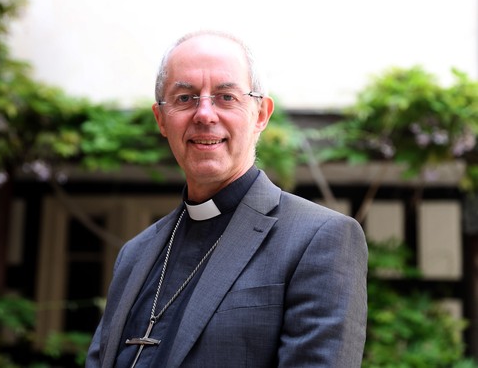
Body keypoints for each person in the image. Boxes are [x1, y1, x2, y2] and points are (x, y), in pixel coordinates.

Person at [86, 30, 368, 368]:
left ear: (261, 114)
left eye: (226, 97)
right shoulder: (134, 254)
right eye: (185, 98)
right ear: (161, 119)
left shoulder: (318, 238)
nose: (204, 114)